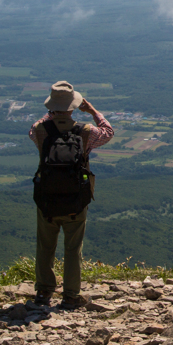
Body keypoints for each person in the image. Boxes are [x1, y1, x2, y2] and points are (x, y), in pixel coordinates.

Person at [29, 81, 114, 309]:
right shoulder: (86, 132)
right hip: (77, 199)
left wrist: (51, 114)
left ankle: (44, 291)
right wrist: (93, 111)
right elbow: (108, 132)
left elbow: (37, 125)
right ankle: (70, 295)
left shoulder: (39, 131)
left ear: (51, 105)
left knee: (45, 245)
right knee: (73, 248)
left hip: (46, 198)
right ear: (73, 106)